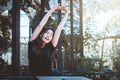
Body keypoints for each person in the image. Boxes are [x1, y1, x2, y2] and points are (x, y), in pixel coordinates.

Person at [28, 4, 69, 77]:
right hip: (34, 78)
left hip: (48, 78)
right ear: (41, 34)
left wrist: (67, 13)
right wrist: (53, 9)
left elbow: (59, 29)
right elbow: (41, 25)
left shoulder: (50, 47)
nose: (48, 36)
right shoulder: (32, 43)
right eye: (47, 33)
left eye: (51, 35)